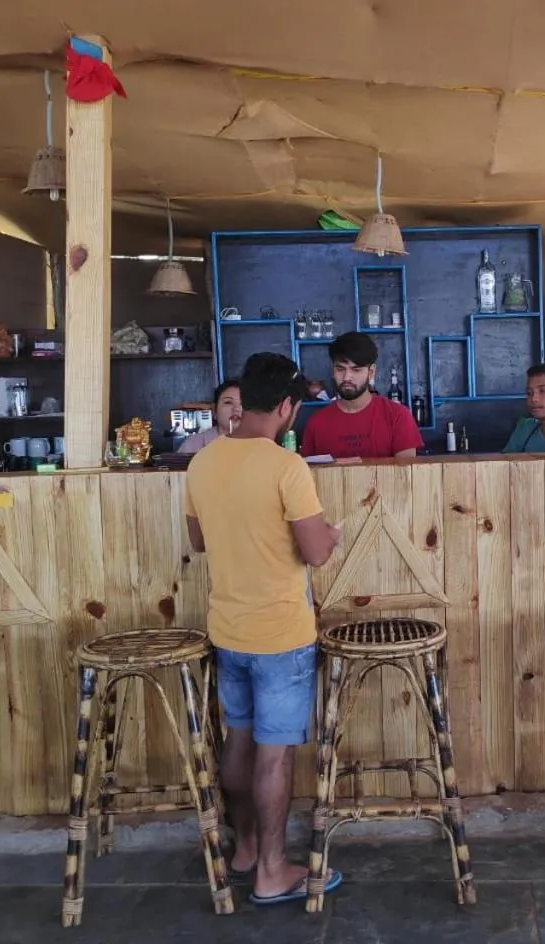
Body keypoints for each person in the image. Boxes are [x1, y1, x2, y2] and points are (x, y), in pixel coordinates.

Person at [183, 352, 343, 906]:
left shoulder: (202, 463)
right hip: (280, 634)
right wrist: (333, 534)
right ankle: (274, 871)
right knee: (274, 754)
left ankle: (246, 848)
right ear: (286, 406)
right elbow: (317, 553)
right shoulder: (286, 466)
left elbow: (199, 541)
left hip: (227, 629)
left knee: (240, 740)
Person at [300, 332, 423, 459]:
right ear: (333, 370)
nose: (347, 377)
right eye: (340, 369)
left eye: (356, 370)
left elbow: (406, 474)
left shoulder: (397, 416)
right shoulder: (316, 423)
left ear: (371, 372)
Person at [179, 379, 243, 454]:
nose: (236, 408)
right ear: (214, 411)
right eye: (228, 402)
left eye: (243, 403)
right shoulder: (194, 444)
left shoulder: (258, 443)